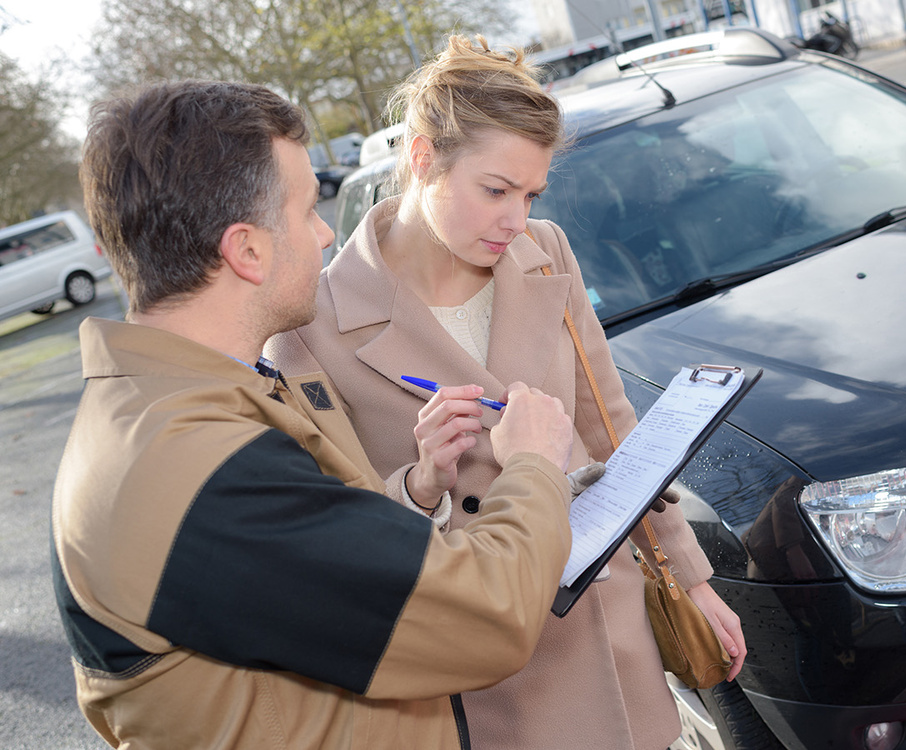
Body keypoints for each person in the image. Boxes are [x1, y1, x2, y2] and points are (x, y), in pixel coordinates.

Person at [51, 79, 584, 750]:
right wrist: (533, 463)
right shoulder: (195, 468)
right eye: (306, 211)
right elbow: (489, 616)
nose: (327, 231)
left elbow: (330, 573)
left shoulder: (183, 411)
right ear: (246, 251)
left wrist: (419, 487)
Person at [265, 36, 747, 749]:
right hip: (494, 678)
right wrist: (423, 482)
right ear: (423, 158)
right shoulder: (311, 329)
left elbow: (613, 428)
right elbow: (337, 539)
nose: (515, 220)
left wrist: (689, 576)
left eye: (531, 194)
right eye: (495, 190)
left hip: (611, 628)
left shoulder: (545, 252)